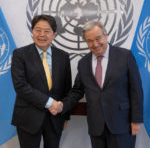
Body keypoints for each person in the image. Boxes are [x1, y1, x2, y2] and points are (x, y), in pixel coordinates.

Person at [51, 20, 143, 148]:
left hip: (122, 123)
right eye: (89, 40)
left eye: (98, 38)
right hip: (96, 126)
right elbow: (77, 90)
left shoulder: (125, 56)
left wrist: (136, 120)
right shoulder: (83, 63)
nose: (95, 44)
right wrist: (62, 105)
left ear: (106, 35)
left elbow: (136, 90)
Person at [11, 14, 72, 148]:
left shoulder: (63, 56)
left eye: (47, 31)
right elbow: (21, 86)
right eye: (38, 30)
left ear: (54, 34)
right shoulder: (20, 54)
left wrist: (65, 116)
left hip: (55, 118)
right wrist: (49, 103)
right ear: (32, 32)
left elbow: (66, 88)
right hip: (28, 117)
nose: (42, 35)